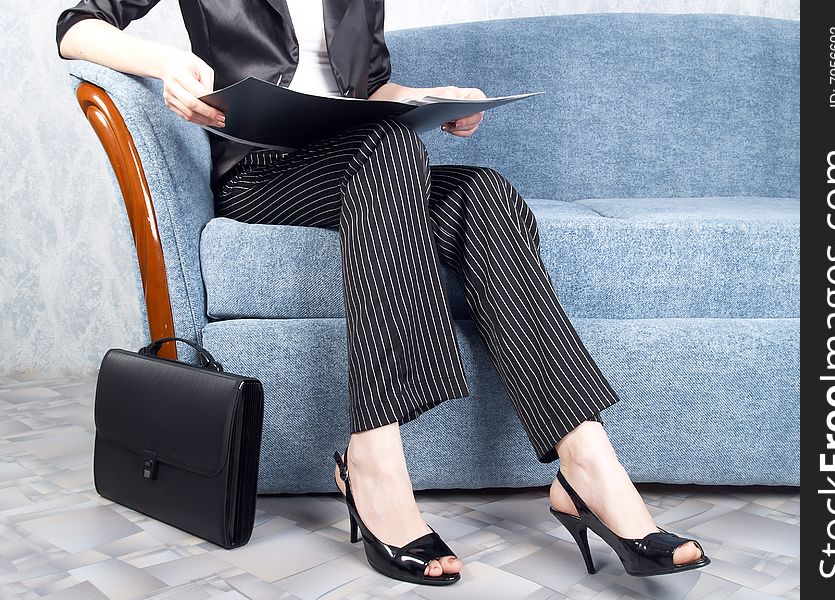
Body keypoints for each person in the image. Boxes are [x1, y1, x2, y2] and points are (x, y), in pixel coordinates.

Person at [57, 0, 710, 586]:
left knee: (482, 194)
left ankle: (586, 464)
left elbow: (365, 89)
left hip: (363, 161)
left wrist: (431, 97)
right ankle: (373, 458)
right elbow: (76, 25)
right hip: (260, 175)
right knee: (387, 146)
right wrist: (166, 61)